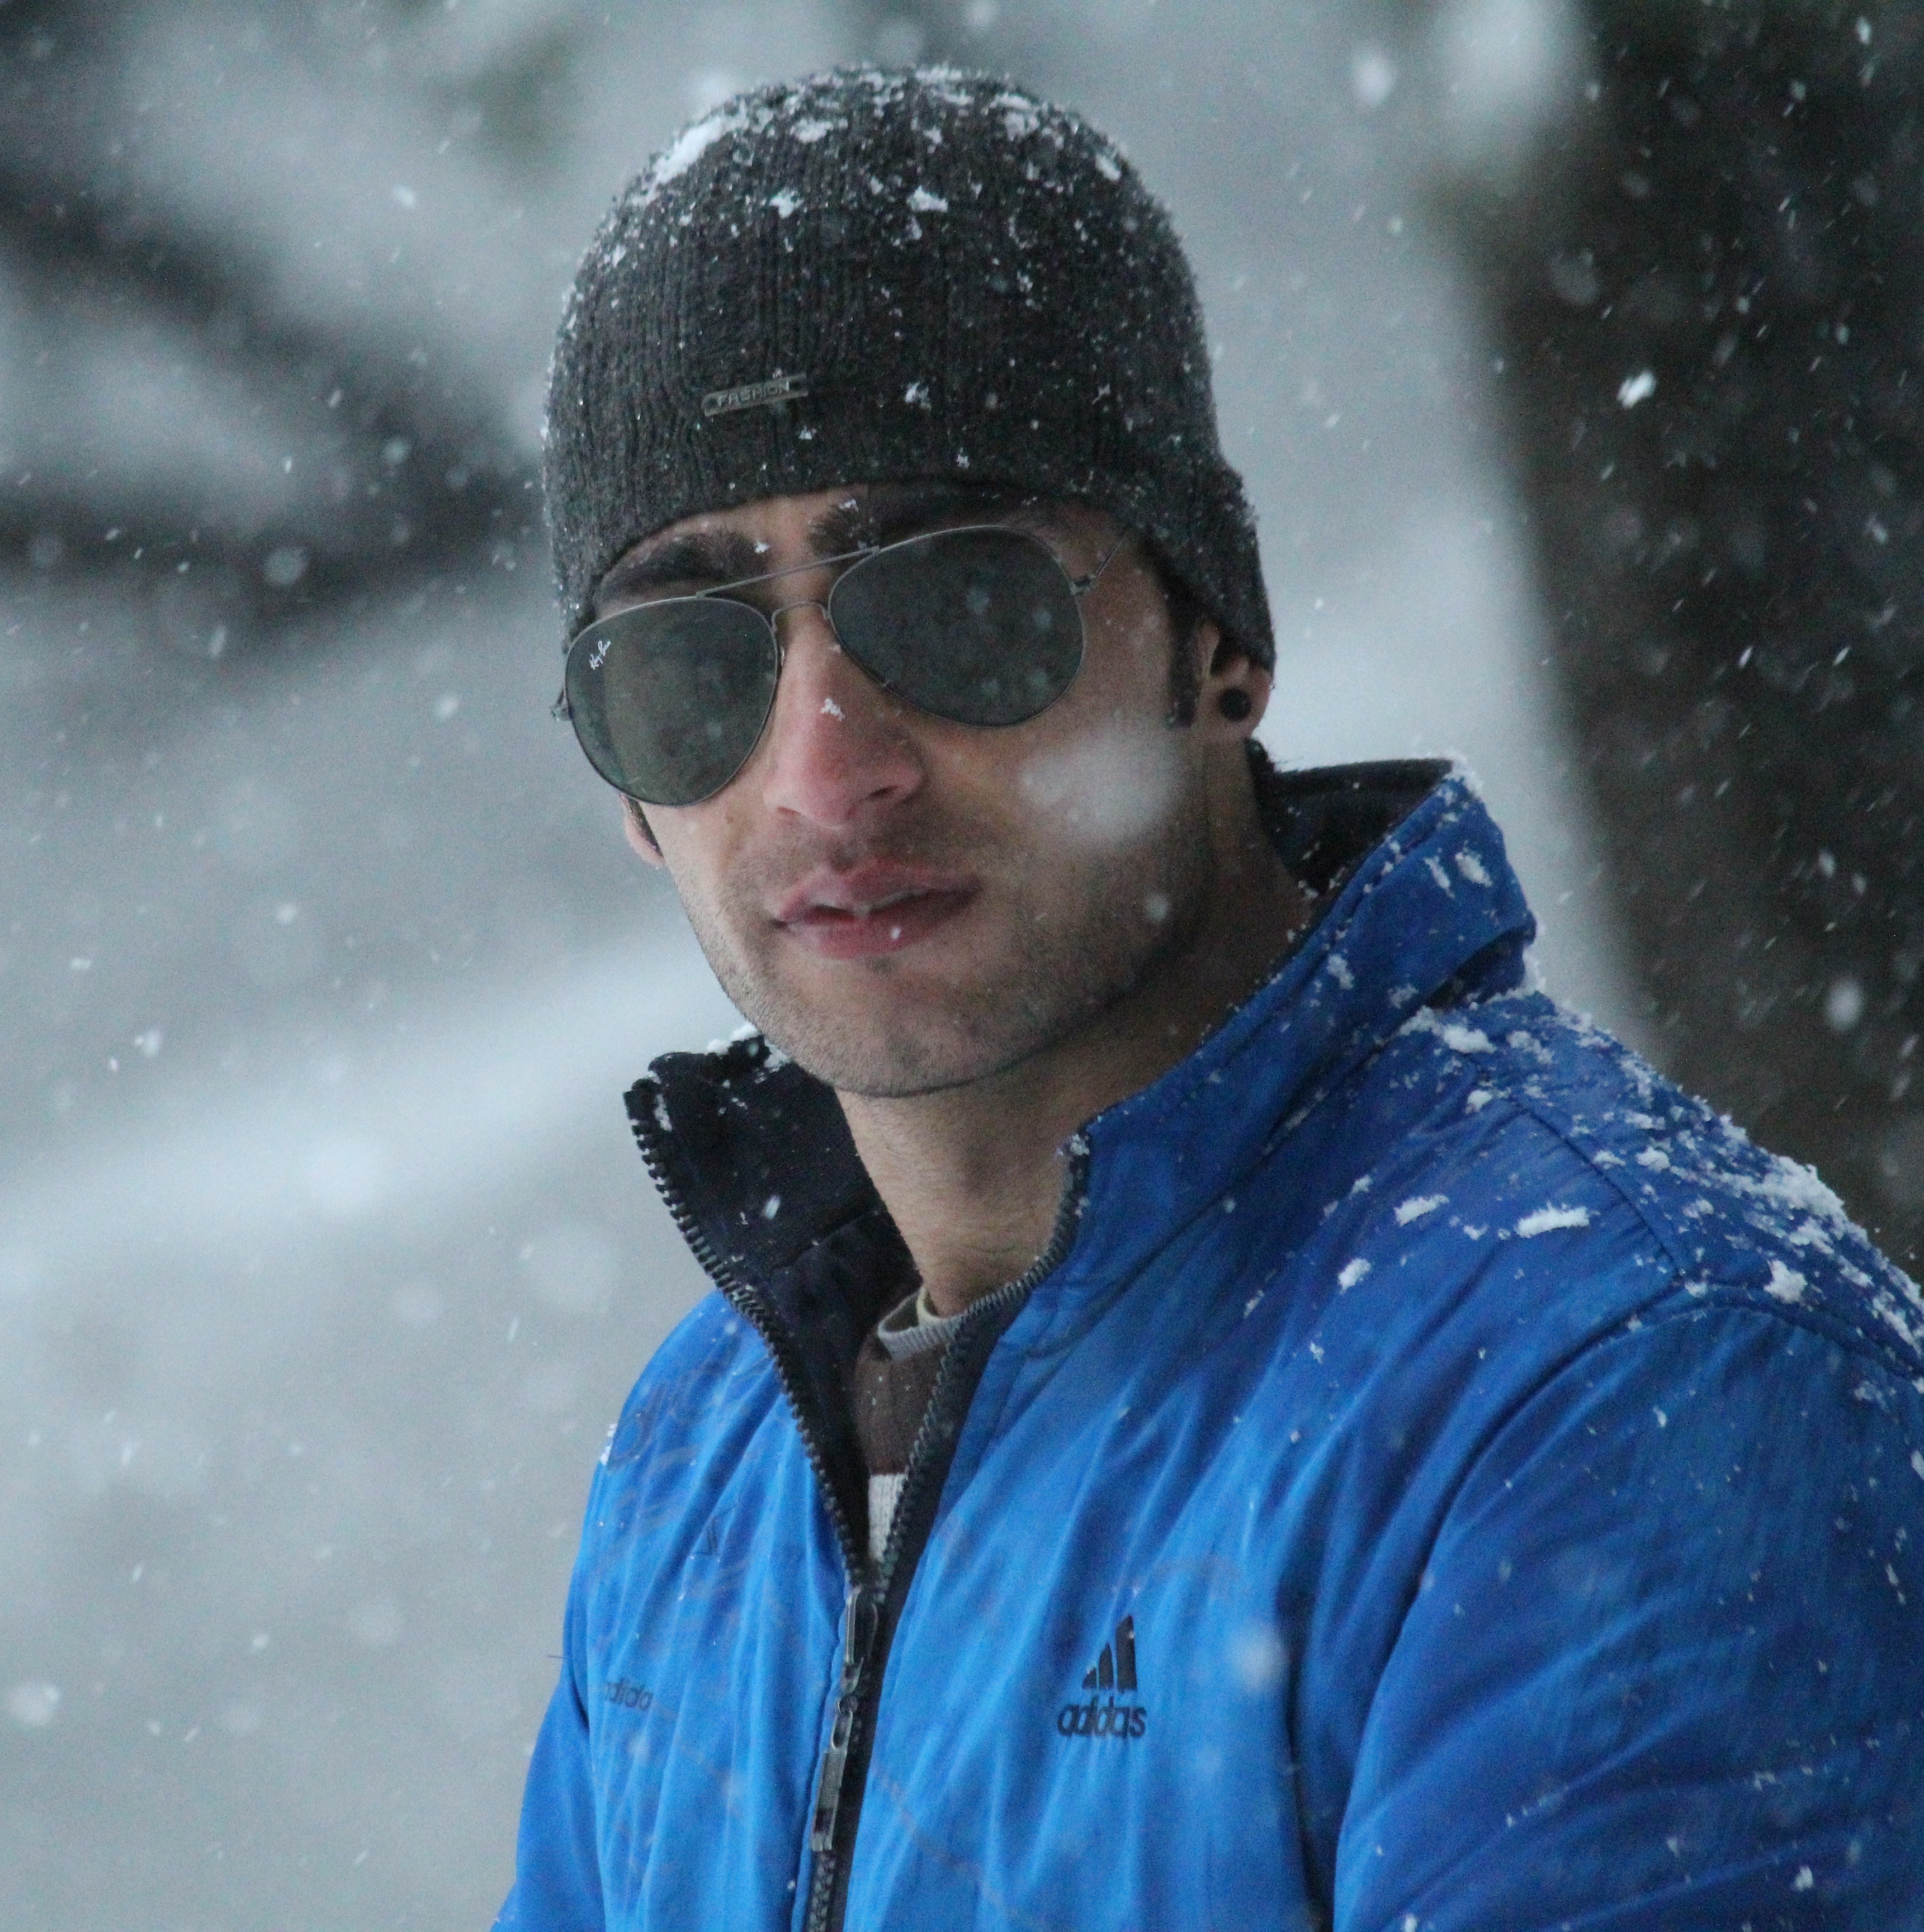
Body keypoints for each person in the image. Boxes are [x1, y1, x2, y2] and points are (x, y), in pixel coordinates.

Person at [498, 67, 1924, 1932]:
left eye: (959, 601)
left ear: (1217, 636)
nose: (824, 772)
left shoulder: (1629, 1380)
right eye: (688, 664)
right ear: (622, 786)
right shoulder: (708, 1466)